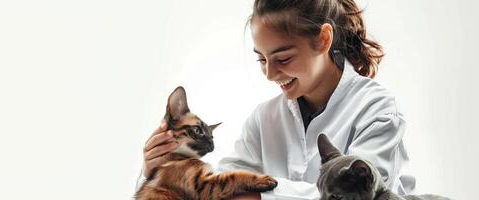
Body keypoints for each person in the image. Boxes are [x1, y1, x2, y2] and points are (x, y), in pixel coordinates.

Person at [138, 0, 415, 199]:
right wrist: (159, 170)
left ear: (324, 39)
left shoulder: (376, 108)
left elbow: (367, 194)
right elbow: (212, 190)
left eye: (283, 58)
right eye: (261, 59)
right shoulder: (264, 118)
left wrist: (258, 193)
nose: (270, 74)